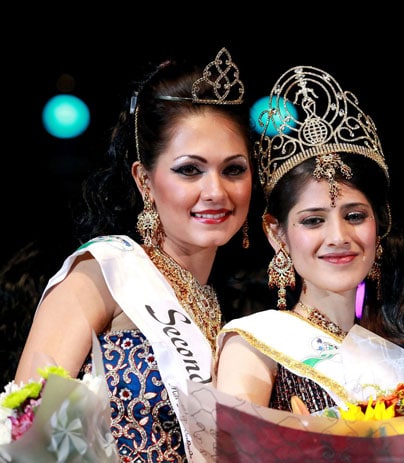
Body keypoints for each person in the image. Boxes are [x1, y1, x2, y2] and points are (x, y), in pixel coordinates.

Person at [13, 47, 253, 462]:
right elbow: (27, 433)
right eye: (189, 170)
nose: (216, 191)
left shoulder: (225, 313)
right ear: (145, 180)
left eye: (233, 169)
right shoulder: (106, 274)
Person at [214, 65, 404, 414]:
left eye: (355, 216)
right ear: (277, 234)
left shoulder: (400, 361)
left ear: (380, 224)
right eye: (313, 221)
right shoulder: (255, 345)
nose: (338, 237)